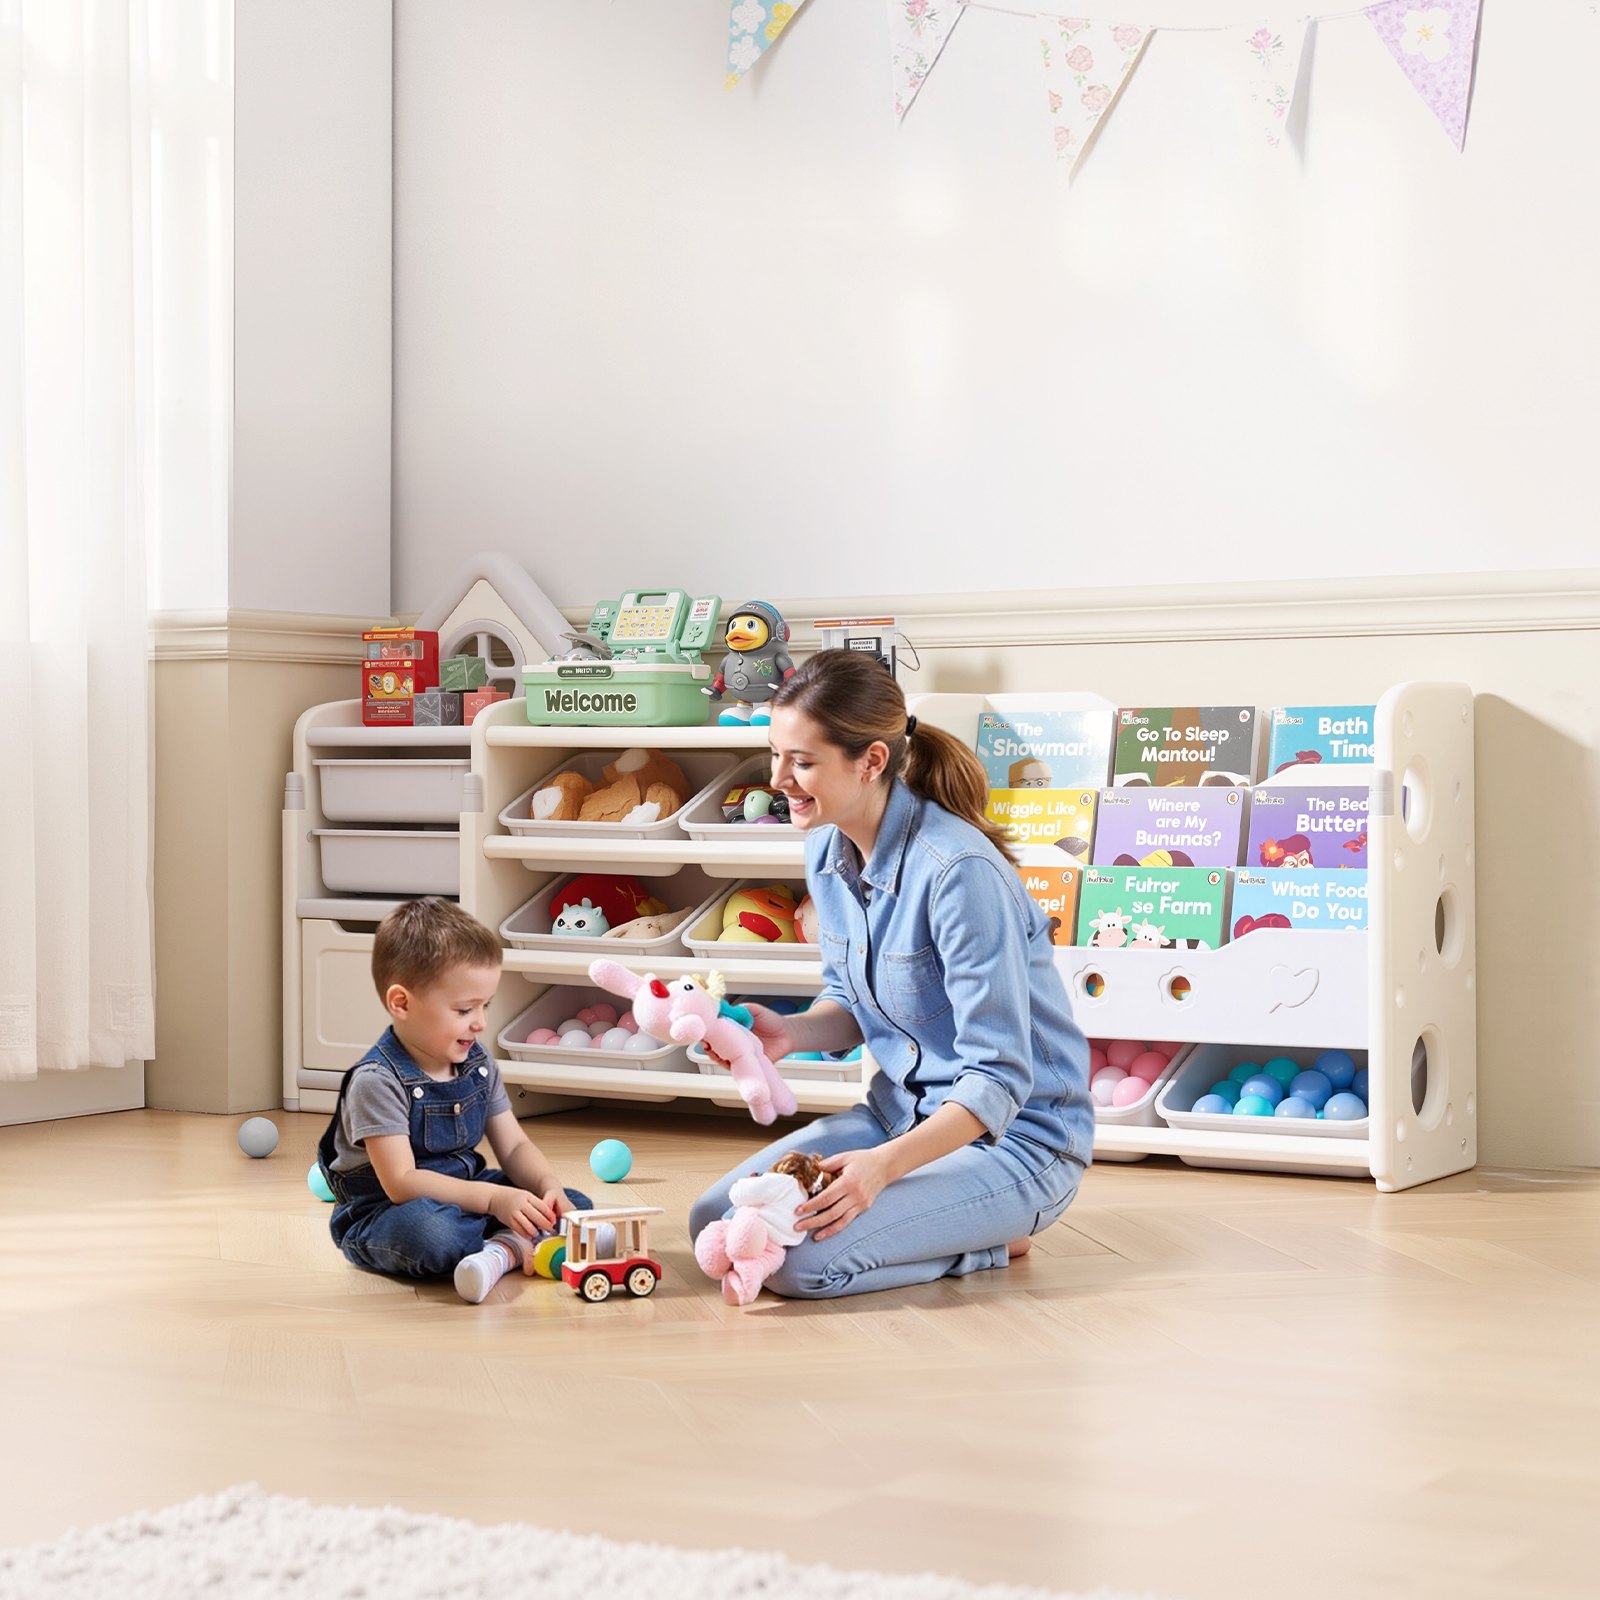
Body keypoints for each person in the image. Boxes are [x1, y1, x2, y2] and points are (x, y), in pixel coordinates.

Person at [688, 650, 1094, 1299]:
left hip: (1015, 1143)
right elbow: (854, 999)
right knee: (713, 1221)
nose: (779, 779)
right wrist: (789, 1032)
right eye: (775, 755)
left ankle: (987, 1241)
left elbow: (998, 1078)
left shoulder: (960, 874)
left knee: (795, 1264)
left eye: (802, 762)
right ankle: (941, 1225)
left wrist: (881, 1169)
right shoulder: (826, 847)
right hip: (896, 1116)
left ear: (871, 760)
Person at [316, 897, 591, 1303]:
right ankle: (511, 1243)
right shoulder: (377, 1081)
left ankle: (498, 1250)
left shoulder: (477, 1063)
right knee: (434, 1235)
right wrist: (495, 1200)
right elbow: (402, 1183)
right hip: (388, 1211)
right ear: (401, 1003)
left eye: (485, 1005)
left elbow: (514, 1146)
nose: (480, 1022)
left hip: (467, 1192)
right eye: (464, 1010)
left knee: (573, 1204)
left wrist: (547, 1186)